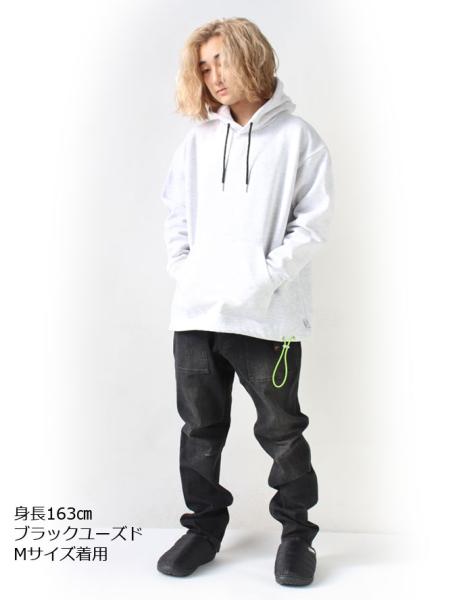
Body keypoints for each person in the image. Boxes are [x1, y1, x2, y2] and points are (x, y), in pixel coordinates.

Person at [158, 17, 334, 586]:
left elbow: (311, 225)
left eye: (221, 61)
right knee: (199, 430)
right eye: (203, 66)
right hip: (197, 315)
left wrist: (264, 278)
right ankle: (204, 529)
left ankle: (297, 537)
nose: (213, 76)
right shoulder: (199, 141)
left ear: (250, 57)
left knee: (282, 432)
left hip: (268, 317)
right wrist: (187, 273)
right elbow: (175, 214)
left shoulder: (298, 138)